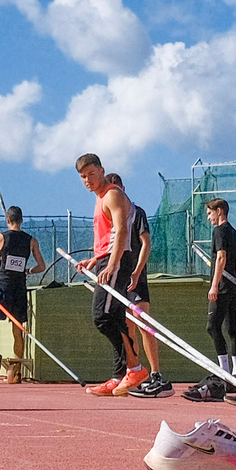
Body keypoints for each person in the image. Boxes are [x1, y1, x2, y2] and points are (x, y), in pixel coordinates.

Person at [76, 155, 145, 395]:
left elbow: (123, 230)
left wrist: (111, 265)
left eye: (91, 174)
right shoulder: (100, 198)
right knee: (114, 317)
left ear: (102, 171)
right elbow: (109, 238)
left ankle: (134, 367)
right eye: (83, 177)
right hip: (106, 259)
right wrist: (94, 260)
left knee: (102, 316)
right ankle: (119, 375)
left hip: (117, 261)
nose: (88, 180)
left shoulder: (113, 194)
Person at [108, 174, 166, 395]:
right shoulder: (109, 215)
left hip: (134, 277)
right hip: (118, 276)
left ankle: (155, 373)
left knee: (143, 322)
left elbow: (146, 243)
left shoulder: (136, 212)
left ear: (123, 189)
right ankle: (132, 371)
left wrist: (138, 270)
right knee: (125, 326)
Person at [189, 196, 236, 400]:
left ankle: (225, 371)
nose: (208, 218)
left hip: (222, 288)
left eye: (209, 213)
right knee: (232, 328)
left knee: (212, 326)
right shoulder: (235, 234)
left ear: (220, 211)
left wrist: (214, 285)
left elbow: (221, 258)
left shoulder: (220, 231)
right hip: (232, 288)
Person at [0, 205, 43, 382]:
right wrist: (27, 271)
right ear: (21, 220)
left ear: (8, 221)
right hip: (19, 288)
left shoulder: (0, 238)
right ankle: (16, 369)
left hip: (3, 287)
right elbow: (41, 266)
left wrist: (0, 260)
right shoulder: (31, 241)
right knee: (17, 330)